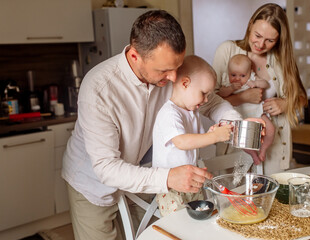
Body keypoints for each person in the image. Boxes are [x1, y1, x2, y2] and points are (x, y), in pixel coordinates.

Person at [62, 10, 241, 240]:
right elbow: (106, 167)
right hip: (92, 181)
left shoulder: (170, 71)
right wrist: (168, 178)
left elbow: (213, 103)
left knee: (156, 234)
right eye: (165, 71)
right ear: (135, 56)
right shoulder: (98, 89)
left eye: (177, 67)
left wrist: (237, 124)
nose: (175, 78)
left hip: (140, 173)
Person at [213, 3, 308, 175]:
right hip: (235, 146)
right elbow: (208, 102)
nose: (261, 44)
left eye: (270, 40)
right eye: (257, 35)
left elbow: (302, 98)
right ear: (250, 25)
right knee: (235, 198)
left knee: (274, 197)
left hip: (274, 147)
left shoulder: (282, 60)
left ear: (279, 40)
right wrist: (243, 98)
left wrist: (286, 103)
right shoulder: (227, 50)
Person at [152, 55, 232, 216]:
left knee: (195, 220)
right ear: (185, 83)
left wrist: (211, 133)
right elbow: (181, 142)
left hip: (191, 180)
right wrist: (214, 137)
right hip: (171, 187)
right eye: (203, 93)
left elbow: (195, 141)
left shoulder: (191, 111)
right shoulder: (169, 113)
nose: (206, 100)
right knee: (177, 224)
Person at [217, 54, 275, 164]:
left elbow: (266, 84)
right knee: (242, 139)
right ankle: (253, 154)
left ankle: (263, 149)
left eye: (243, 75)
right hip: (240, 115)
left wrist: (255, 83)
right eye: (233, 74)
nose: (237, 78)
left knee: (271, 129)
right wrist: (231, 88)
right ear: (228, 72)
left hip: (256, 111)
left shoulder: (252, 78)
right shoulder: (227, 81)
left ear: (250, 73)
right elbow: (221, 94)